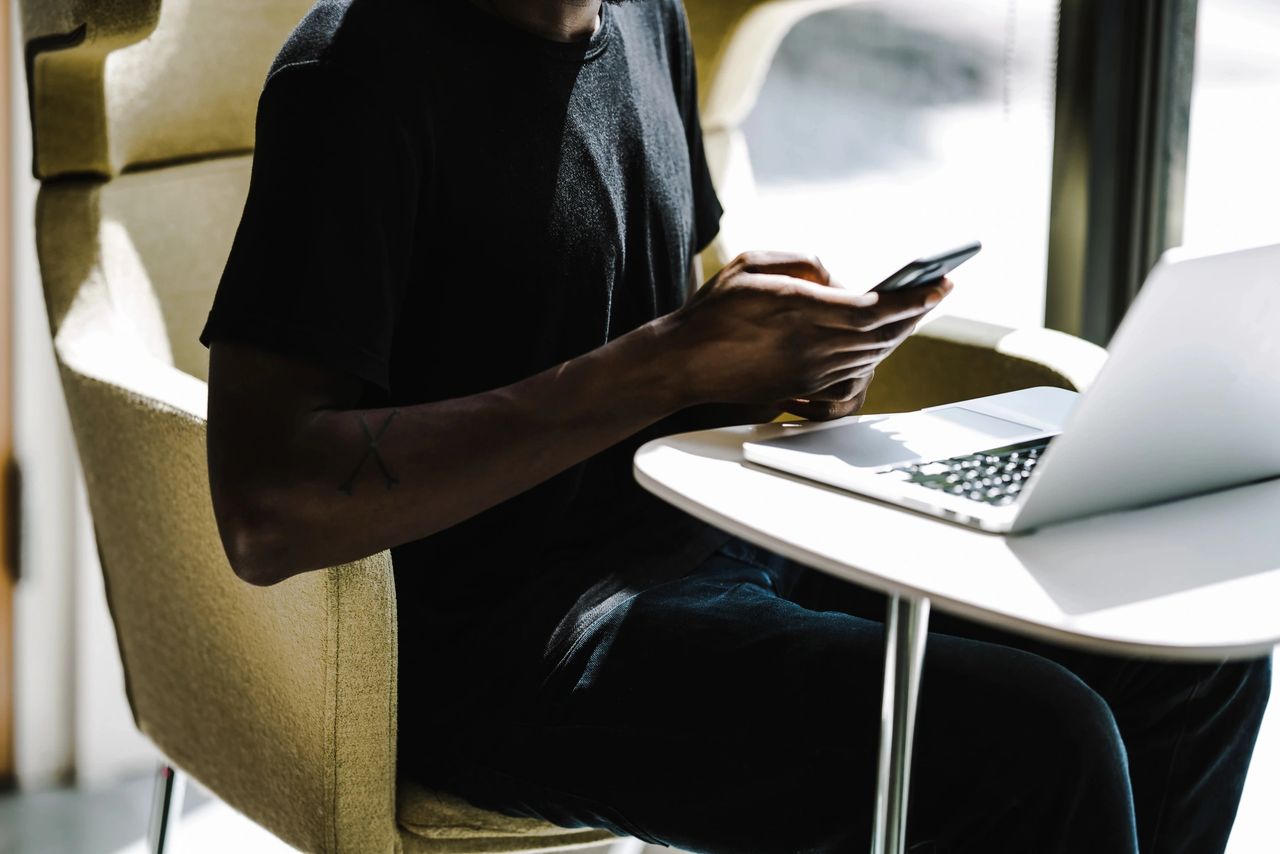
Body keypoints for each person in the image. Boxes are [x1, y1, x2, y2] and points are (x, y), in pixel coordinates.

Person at [200, 0, 1270, 851]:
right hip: (508, 646)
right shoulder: (351, 77)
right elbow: (268, 508)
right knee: (1035, 739)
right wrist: (662, 361)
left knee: (1193, 666)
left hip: (707, 549)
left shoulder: (643, 20)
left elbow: (640, 359)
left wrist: (785, 368)